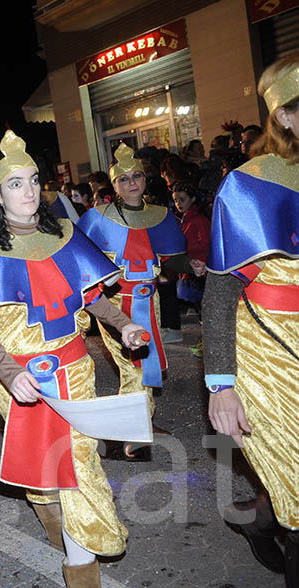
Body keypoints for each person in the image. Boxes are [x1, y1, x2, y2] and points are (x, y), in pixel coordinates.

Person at [0, 131, 148, 588]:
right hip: (22, 380)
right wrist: (10, 373)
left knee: (77, 465)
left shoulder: (64, 235)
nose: (30, 190)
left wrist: (123, 327)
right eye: (16, 184)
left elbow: (93, 294)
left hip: (75, 368)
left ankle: (84, 576)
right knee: (51, 472)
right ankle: (62, 528)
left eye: (34, 180)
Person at [203, 55, 299, 588]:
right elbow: (219, 291)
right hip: (269, 360)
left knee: (291, 485)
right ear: (283, 116)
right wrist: (221, 385)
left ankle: (256, 518)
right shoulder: (250, 186)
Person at [76, 142, 202, 460]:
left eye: (136, 177)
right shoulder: (97, 218)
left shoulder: (159, 216)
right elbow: (79, 260)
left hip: (150, 300)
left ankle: (143, 419)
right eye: (123, 179)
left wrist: (192, 266)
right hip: (116, 305)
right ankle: (133, 430)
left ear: (145, 180)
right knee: (133, 367)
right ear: (115, 185)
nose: (131, 183)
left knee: (144, 365)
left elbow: (171, 257)